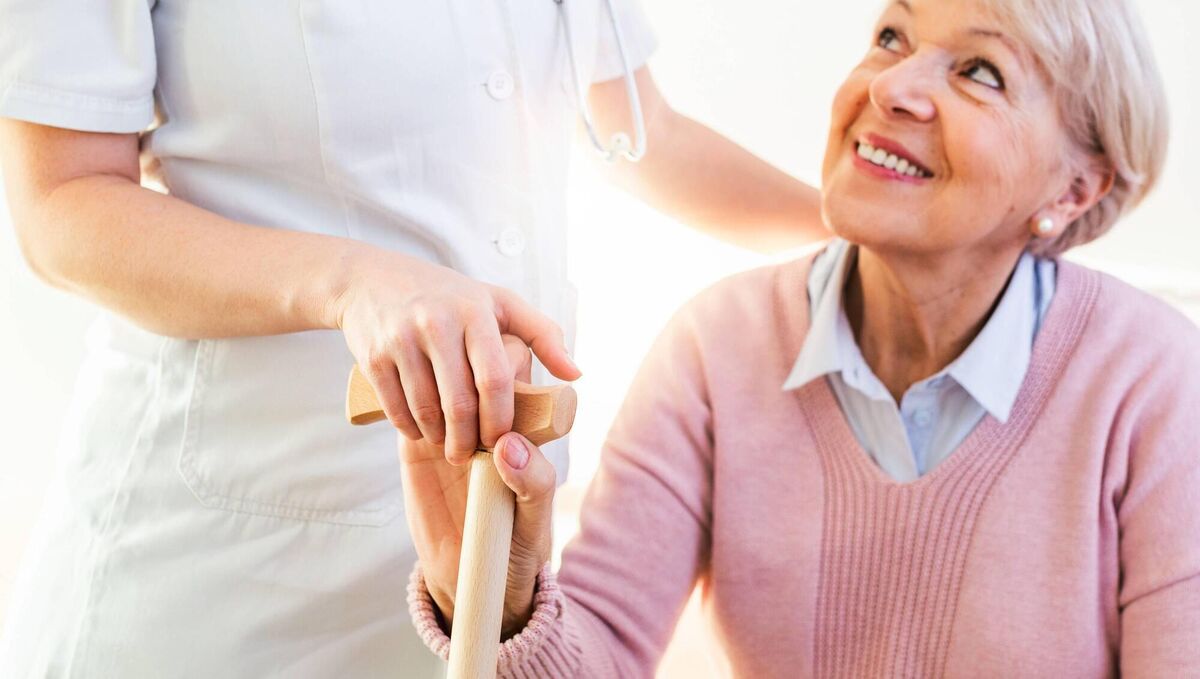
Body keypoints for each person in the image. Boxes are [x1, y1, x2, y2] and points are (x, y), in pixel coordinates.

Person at [0, 1, 828, 676]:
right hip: (223, 570)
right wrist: (352, 282)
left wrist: (868, 232)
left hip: (473, 579)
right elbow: (62, 205)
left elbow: (647, 137)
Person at [406, 0, 1200, 675]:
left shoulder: (1157, 381)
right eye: (893, 37)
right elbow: (602, 653)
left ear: (1075, 186)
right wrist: (497, 599)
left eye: (978, 72)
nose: (891, 87)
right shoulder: (717, 347)